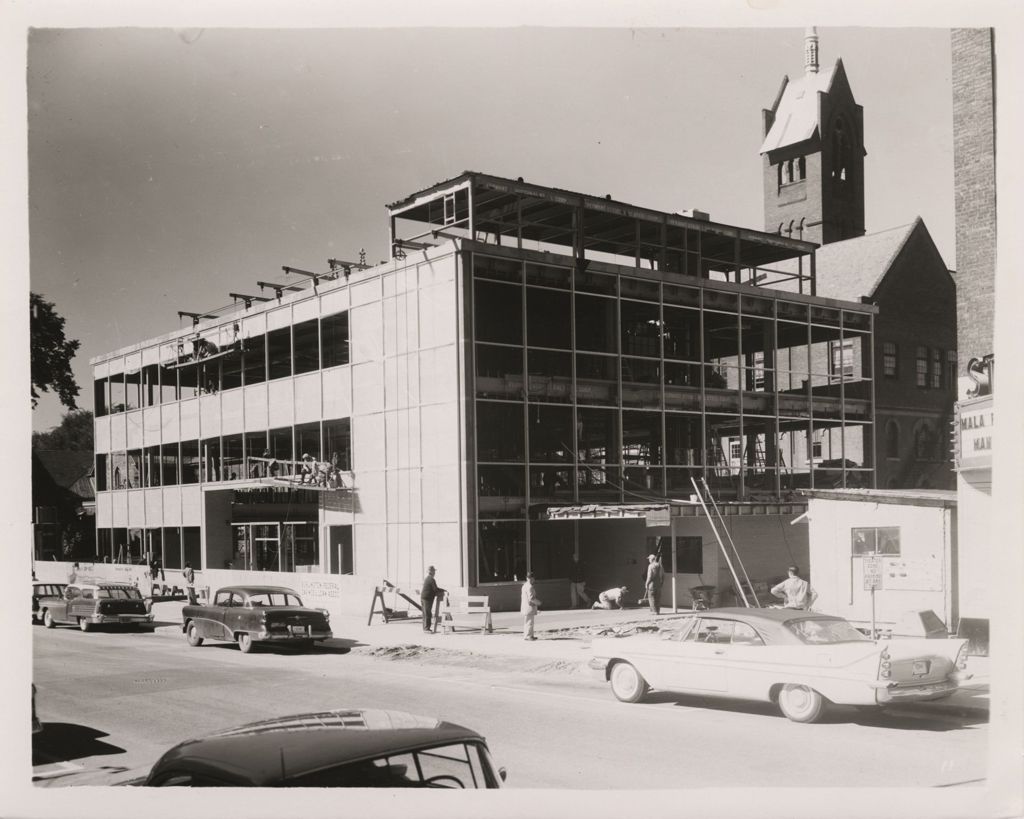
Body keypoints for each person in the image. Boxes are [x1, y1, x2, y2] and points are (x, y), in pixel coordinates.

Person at [420, 566, 445, 633]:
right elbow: (435, 589)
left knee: (425, 613)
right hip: (427, 598)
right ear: (431, 572)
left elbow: (434, 589)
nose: (434, 573)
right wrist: (443, 590)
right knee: (428, 613)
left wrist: (441, 590)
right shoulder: (431, 579)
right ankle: (427, 629)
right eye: (434, 571)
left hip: (423, 597)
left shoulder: (427, 578)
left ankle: (425, 628)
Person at [521, 571, 541, 640]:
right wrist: (538, 603)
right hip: (529, 607)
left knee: (527, 622)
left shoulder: (524, 585)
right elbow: (531, 598)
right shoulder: (530, 587)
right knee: (530, 622)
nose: (531, 579)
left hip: (525, 606)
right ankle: (529, 636)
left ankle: (527, 635)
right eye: (530, 578)